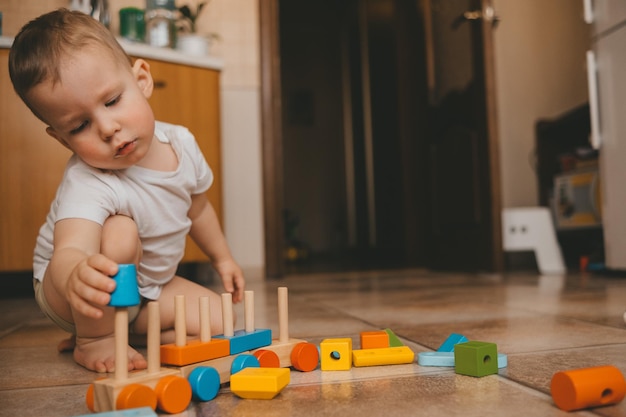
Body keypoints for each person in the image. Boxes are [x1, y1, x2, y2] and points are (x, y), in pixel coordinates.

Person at [8, 8, 245, 373]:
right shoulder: (89, 179)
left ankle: (126, 332)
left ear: (142, 80)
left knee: (221, 319)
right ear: (61, 139)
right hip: (76, 293)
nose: (106, 127)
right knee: (120, 231)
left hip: (147, 289)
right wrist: (76, 275)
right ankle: (94, 339)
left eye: (112, 101)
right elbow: (71, 248)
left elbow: (198, 210)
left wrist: (223, 259)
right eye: (80, 125)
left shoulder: (182, 144)